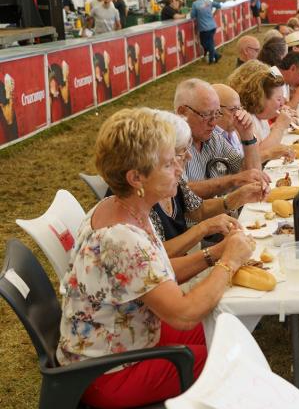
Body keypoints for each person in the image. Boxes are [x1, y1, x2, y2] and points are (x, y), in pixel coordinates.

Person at [57, 107, 256, 408]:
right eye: (168, 163)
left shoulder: (125, 207)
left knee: (224, 326)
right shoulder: (121, 238)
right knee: (230, 360)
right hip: (108, 373)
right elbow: (184, 314)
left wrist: (216, 253)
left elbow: (156, 273)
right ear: (136, 177)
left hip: (126, 342)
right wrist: (230, 261)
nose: (179, 169)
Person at [149, 110, 260, 257]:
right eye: (182, 151)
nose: (189, 156)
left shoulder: (173, 178)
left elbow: (198, 210)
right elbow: (158, 255)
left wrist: (239, 197)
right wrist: (206, 230)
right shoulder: (143, 195)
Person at [173, 79, 268, 200]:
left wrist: (247, 136)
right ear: (182, 112)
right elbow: (181, 192)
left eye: (217, 114)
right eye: (206, 114)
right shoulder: (171, 143)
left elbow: (251, 177)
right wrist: (232, 181)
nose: (213, 123)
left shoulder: (214, 138)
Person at [230, 64, 295, 162]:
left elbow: (265, 140)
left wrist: (279, 124)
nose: (282, 103)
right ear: (261, 98)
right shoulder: (245, 118)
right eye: (278, 99)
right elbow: (258, 155)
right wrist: (280, 126)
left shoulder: (260, 117)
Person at [191, 0, 223, 64]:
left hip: (204, 27)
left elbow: (192, 16)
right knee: (210, 43)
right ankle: (215, 56)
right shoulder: (208, 1)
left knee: (206, 43)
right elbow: (219, 6)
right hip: (212, 25)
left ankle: (213, 58)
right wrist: (213, 14)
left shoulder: (195, 4)